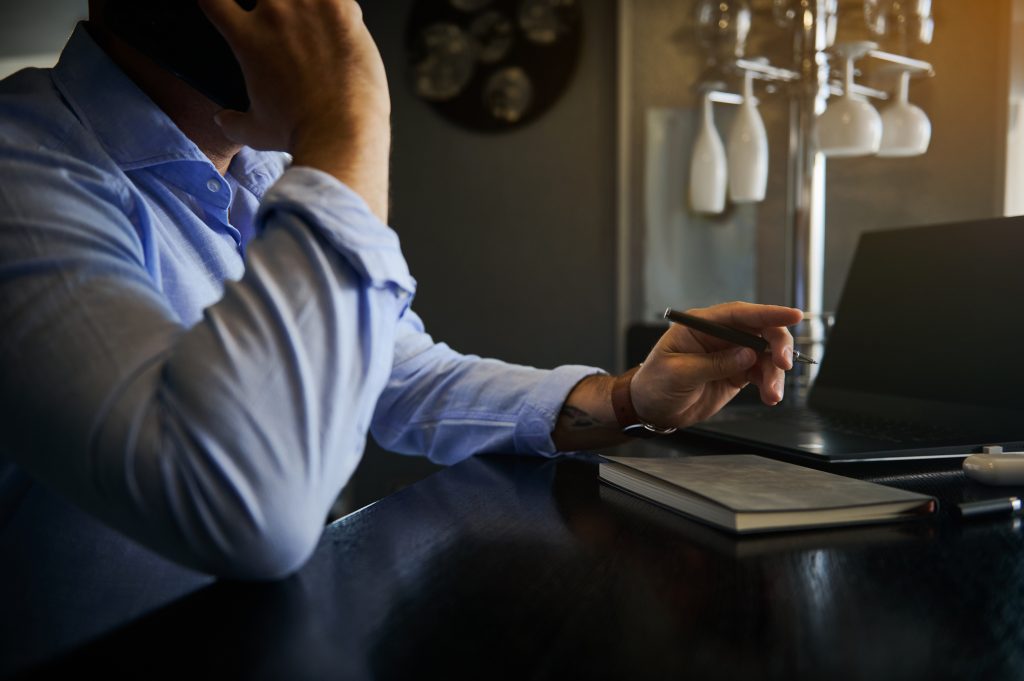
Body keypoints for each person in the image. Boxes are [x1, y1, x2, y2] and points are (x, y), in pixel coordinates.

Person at [0, 0, 802, 585]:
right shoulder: (20, 167)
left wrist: (626, 398)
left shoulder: (263, 174)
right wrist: (348, 116)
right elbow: (245, 509)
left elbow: (401, 373)